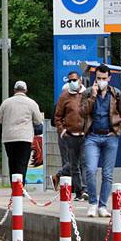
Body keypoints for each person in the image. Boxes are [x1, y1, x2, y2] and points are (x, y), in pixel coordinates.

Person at [80, 64, 121, 217]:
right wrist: (92, 96)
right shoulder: (87, 93)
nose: (101, 81)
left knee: (107, 174)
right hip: (92, 136)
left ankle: (103, 206)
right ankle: (92, 202)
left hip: (110, 136)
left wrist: (117, 131)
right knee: (91, 170)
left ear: (109, 78)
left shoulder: (116, 94)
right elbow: (83, 112)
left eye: (104, 78)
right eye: (98, 78)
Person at [0, 80, 43, 181]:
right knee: (22, 162)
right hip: (24, 137)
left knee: (12, 161)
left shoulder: (6, 102)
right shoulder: (31, 103)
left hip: (8, 137)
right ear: (25, 90)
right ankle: (20, 187)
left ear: (14, 90)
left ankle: (14, 187)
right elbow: (38, 120)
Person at [53, 70, 86, 199]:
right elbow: (57, 117)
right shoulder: (64, 97)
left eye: (75, 80)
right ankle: (78, 191)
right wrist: (62, 131)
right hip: (71, 135)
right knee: (74, 165)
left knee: (85, 162)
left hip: (84, 134)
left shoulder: (87, 94)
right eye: (70, 80)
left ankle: (85, 189)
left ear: (80, 80)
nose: (73, 82)